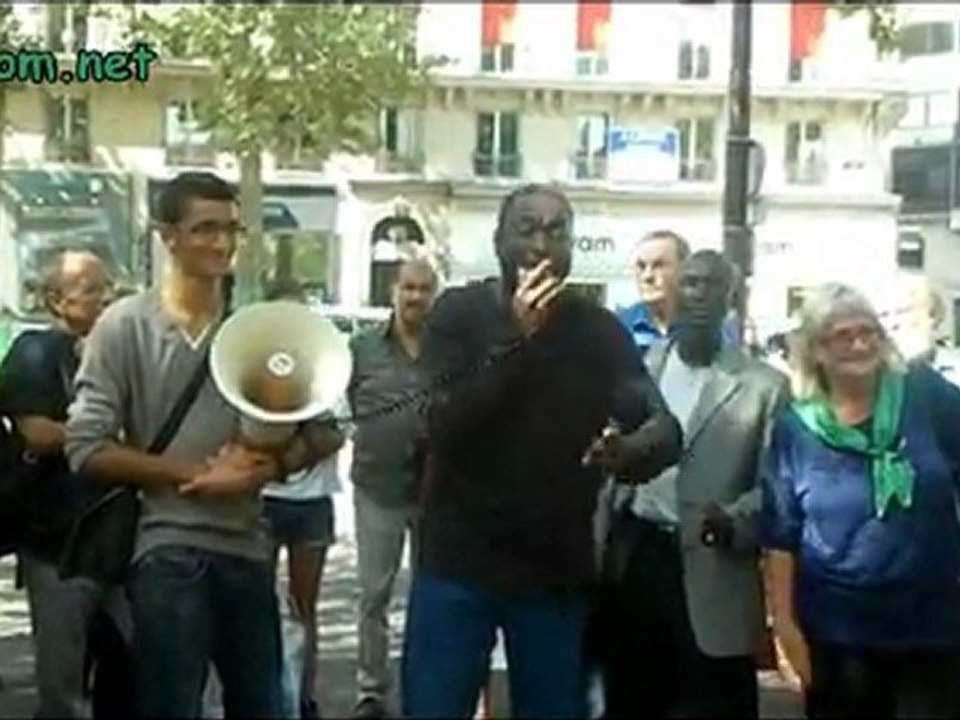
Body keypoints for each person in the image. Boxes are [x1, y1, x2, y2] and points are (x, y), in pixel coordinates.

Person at [402, 184, 683, 719]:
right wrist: (517, 337)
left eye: (556, 232)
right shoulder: (459, 315)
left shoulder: (597, 330)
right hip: (459, 560)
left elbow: (663, 429)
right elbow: (439, 423)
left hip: (554, 568)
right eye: (527, 229)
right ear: (499, 240)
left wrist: (627, 450)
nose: (540, 244)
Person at [65, 171, 339, 718]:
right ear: (168, 236)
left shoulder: (259, 325)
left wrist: (264, 471)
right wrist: (192, 475)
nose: (222, 243)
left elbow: (326, 430)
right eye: (205, 229)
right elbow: (85, 447)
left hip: (249, 548)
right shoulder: (123, 327)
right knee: (172, 705)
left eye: (231, 229)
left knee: (263, 706)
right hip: (166, 548)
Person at [601, 250, 790, 719]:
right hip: (638, 561)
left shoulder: (764, 387)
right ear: (674, 293)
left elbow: (779, 488)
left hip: (715, 572)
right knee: (630, 701)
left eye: (713, 285)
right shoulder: (640, 370)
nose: (700, 295)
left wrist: (734, 521)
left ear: (731, 300)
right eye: (691, 283)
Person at [761, 283, 960, 718]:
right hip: (838, 633)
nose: (860, 344)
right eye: (843, 336)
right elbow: (781, 535)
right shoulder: (796, 429)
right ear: (817, 350)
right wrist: (785, 628)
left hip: (932, 625)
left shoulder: (924, 394)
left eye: (868, 331)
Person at [0, 251, 130, 719]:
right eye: (92, 289)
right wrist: (115, 442)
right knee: (64, 686)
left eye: (107, 286)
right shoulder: (35, 352)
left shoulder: (118, 350)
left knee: (131, 669)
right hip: (59, 542)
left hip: (122, 539)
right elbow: (37, 432)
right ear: (56, 300)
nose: (107, 297)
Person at [347, 256, 438, 719]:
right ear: (393, 291)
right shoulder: (362, 348)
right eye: (408, 288)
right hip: (376, 486)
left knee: (431, 596)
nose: (415, 297)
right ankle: (371, 691)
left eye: (424, 289)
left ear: (435, 294)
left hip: (434, 493)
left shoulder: (450, 350)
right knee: (373, 595)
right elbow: (339, 403)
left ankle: (424, 688)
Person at [260, 278, 346, 720]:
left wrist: (299, 445)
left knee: (303, 608)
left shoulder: (327, 364)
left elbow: (337, 434)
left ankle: (303, 698)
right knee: (254, 603)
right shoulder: (254, 361)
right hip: (261, 501)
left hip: (311, 502)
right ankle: (261, 695)